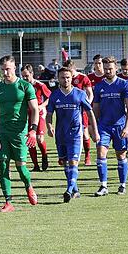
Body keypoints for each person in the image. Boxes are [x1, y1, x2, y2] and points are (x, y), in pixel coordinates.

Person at [0, 55, 40, 212]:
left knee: (21, 168)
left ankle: (29, 186)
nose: (5, 73)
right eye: (3, 69)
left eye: (8, 69)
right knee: (3, 165)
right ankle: (8, 202)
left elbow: (34, 110)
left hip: (20, 133)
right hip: (2, 132)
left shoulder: (25, 86)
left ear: (14, 67)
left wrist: (33, 130)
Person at [47, 67, 100, 202]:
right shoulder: (54, 95)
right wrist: (49, 126)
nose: (65, 80)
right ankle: (75, 190)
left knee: (73, 162)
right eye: (63, 77)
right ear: (58, 79)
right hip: (60, 134)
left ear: (72, 78)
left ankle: (69, 190)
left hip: (76, 134)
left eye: (68, 77)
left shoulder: (80, 94)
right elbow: (49, 114)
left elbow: (90, 113)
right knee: (65, 163)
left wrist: (95, 131)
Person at [90, 57, 128, 196]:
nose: (108, 71)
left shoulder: (124, 85)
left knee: (121, 155)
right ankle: (103, 186)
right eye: (106, 68)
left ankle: (122, 185)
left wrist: (127, 127)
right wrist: (95, 125)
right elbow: (95, 107)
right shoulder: (99, 86)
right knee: (101, 153)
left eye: (110, 68)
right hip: (104, 126)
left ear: (116, 69)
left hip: (120, 126)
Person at [21, 64, 51, 172]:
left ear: (32, 74)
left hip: (39, 114)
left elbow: (49, 98)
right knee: (29, 139)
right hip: (26, 115)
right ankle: (36, 165)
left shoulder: (40, 85)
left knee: (39, 138)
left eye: (26, 76)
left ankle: (44, 156)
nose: (24, 78)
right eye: (23, 76)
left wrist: (41, 106)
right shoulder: (21, 86)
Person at [64, 60, 94, 167]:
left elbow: (90, 94)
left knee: (85, 133)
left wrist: (86, 106)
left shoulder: (83, 78)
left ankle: (87, 156)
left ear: (74, 69)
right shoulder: (65, 78)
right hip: (68, 110)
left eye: (70, 71)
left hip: (80, 110)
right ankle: (69, 155)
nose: (68, 75)